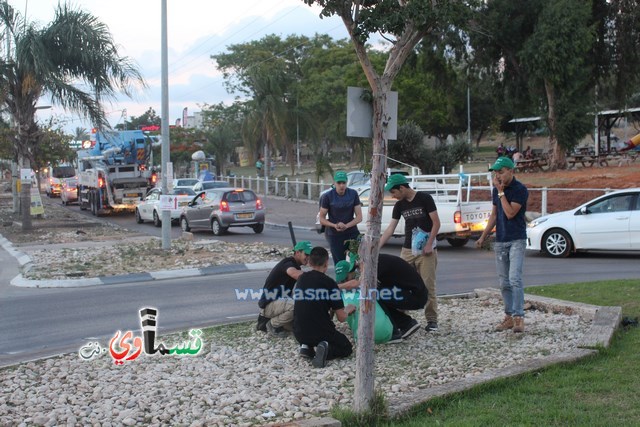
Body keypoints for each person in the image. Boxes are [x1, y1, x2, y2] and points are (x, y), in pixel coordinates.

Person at [379, 174, 441, 332]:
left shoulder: (425, 199)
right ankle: (402, 320)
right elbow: (391, 228)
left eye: (394, 192)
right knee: (399, 283)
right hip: (408, 249)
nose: (393, 196)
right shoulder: (399, 205)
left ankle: (432, 320)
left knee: (428, 285)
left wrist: (429, 245)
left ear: (402, 187)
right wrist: (376, 247)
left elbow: (436, 223)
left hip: (426, 249)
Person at [476, 156, 529, 333]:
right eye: (495, 172)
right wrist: (483, 236)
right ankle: (509, 315)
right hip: (501, 240)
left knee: (515, 278)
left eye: (501, 172)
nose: (498, 175)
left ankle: (519, 317)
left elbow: (510, 213)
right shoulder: (496, 190)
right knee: (504, 282)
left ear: (511, 171)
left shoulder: (519, 189)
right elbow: (494, 214)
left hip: (516, 239)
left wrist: (500, 192)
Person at [337, 253, 427, 342]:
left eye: (357, 266)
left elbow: (358, 283)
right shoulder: (378, 260)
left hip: (415, 296)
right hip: (411, 292)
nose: (358, 270)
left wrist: (336, 286)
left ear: (363, 260)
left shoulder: (375, 264)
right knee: (377, 291)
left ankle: (400, 328)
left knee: (375, 294)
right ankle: (405, 323)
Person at [293, 247, 356, 368]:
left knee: (310, 319)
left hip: (299, 332)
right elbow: (341, 317)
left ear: (310, 262)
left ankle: (306, 347)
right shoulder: (330, 283)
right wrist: (349, 308)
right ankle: (325, 350)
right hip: (320, 332)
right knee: (346, 347)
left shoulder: (301, 279)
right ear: (327, 263)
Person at [256, 241, 312, 337]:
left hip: (279, 305)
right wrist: (316, 276)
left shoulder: (295, 265)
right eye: (306, 254)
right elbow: (293, 273)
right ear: (297, 252)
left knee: (303, 326)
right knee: (296, 306)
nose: (308, 257)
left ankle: (266, 322)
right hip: (270, 304)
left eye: (310, 255)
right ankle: (272, 324)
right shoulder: (288, 263)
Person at [318, 171, 363, 264]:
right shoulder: (327, 196)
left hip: (352, 233)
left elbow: (359, 217)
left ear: (347, 182)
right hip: (335, 235)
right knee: (340, 264)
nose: (341, 185)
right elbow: (321, 219)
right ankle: (342, 279)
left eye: (344, 183)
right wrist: (334, 225)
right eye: (339, 183)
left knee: (358, 261)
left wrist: (347, 225)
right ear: (334, 183)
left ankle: (356, 278)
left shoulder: (353, 194)